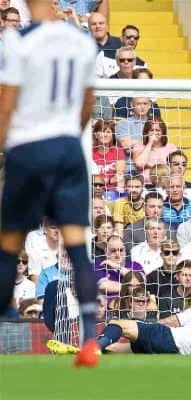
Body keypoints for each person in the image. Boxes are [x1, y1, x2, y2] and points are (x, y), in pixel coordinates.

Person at [0, 0, 99, 367]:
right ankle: (90, 340)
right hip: (68, 148)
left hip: (28, 148)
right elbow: (88, 104)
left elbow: (6, 105)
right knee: (77, 246)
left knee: (9, 242)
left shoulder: (17, 41)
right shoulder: (81, 41)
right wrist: (69, 138)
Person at [47, 306, 191, 356]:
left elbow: (170, 321)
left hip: (167, 337)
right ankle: (82, 351)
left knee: (120, 324)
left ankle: (93, 348)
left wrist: (149, 326)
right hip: (172, 353)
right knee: (117, 350)